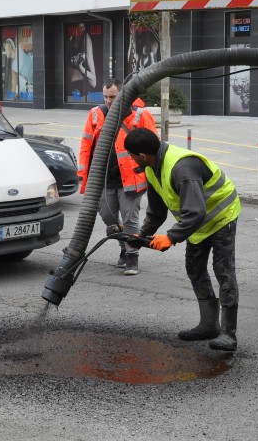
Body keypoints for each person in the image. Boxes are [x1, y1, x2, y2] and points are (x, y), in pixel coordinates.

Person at [125, 127, 242, 351]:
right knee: (195, 268)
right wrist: (142, 235)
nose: (130, 160)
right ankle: (209, 325)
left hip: (220, 216)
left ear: (142, 155)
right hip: (197, 223)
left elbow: (195, 211)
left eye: (131, 155)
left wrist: (171, 237)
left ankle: (229, 335)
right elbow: (157, 211)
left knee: (223, 272)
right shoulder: (151, 167)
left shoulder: (181, 167)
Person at [78, 78, 157, 275]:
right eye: (105, 97)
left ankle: (131, 256)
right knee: (108, 217)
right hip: (103, 179)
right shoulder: (96, 114)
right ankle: (124, 244)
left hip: (130, 178)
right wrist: (82, 173)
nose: (108, 101)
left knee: (130, 219)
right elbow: (86, 145)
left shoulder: (139, 115)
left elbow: (153, 145)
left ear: (123, 95)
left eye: (112, 97)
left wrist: (152, 173)